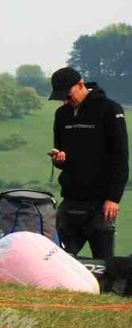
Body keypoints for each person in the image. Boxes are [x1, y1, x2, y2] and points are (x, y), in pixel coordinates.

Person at [48, 67, 129, 261]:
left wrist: (113, 198)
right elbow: (61, 152)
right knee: (57, 258)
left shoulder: (110, 109)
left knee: (103, 262)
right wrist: (58, 160)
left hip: (101, 202)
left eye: (67, 96)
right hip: (71, 198)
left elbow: (120, 156)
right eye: (61, 98)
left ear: (80, 85)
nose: (65, 101)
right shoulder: (61, 115)